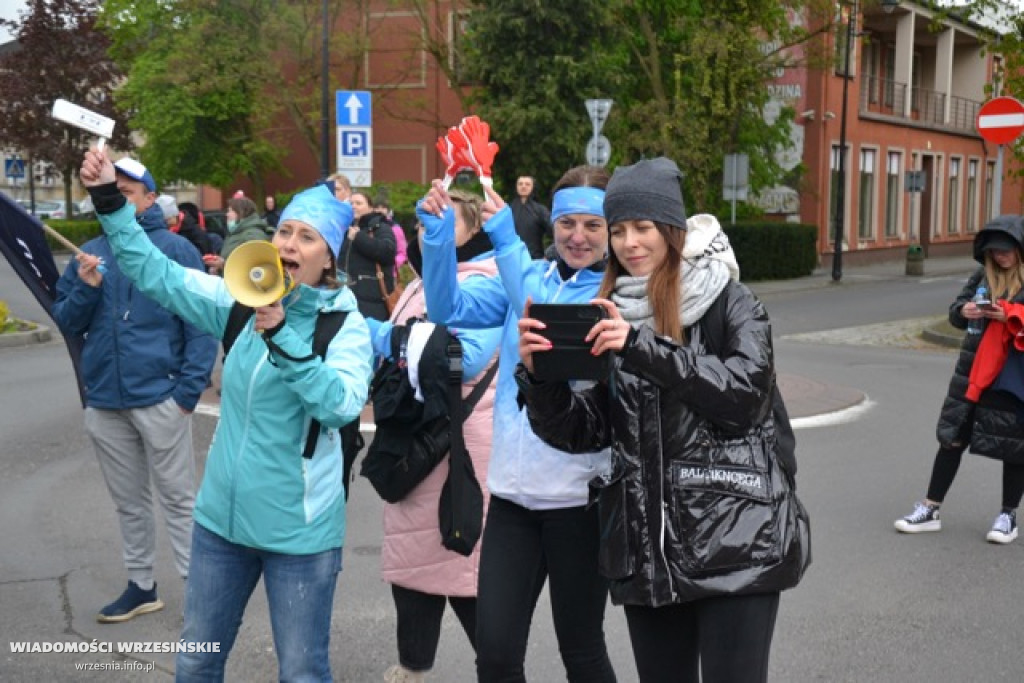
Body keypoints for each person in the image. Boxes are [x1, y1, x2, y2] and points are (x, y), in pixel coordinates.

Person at [78, 148, 374, 681]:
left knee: (302, 673)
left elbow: (340, 406)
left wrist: (283, 336)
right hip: (220, 525)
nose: (289, 244)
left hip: (299, 538)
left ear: (328, 257)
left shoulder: (343, 326)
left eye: (307, 237)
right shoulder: (241, 298)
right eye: (286, 231)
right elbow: (155, 272)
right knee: (196, 662)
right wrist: (107, 199)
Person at [515, 157, 803, 683]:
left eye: (642, 227)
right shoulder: (613, 309)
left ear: (670, 229)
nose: (629, 243)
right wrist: (541, 379)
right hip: (649, 549)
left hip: (735, 542)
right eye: (619, 230)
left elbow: (745, 395)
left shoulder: (729, 300)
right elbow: (584, 431)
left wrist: (642, 346)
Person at [419, 166, 617, 682]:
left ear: (612, 231)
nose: (577, 236)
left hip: (580, 503)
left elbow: (543, 311)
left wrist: (503, 233)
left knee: (582, 650)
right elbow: (446, 307)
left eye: (593, 226)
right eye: (567, 222)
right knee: (497, 655)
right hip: (511, 500)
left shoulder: (616, 296)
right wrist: (439, 237)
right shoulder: (533, 278)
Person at [52, 158, 218, 623]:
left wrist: (187, 393)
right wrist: (86, 287)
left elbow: (202, 324)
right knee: (129, 502)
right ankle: (141, 586)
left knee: (179, 498)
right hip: (105, 400)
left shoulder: (176, 249)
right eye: (111, 190)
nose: (118, 197)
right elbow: (66, 321)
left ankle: (199, 592)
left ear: (149, 197)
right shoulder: (89, 253)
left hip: (161, 397)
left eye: (127, 191)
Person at [365, 190, 501, 683]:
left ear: (475, 230)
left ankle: (501, 670)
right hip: (416, 445)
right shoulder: (419, 284)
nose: (428, 233)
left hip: (462, 452)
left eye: (443, 222)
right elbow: (402, 352)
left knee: (470, 573)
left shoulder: (491, 281)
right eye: (424, 224)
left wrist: (373, 333)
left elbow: (452, 355)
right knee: (412, 569)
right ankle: (413, 665)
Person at [895, 216, 1024, 544]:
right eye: (995, 251)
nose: (1000, 256)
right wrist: (964, 310)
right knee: (951, 437)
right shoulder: (983, 275)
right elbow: (955, 310)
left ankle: (1007, 516)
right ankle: (930, 508)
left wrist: (1009, 314)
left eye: (1006, 250)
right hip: (972, 372)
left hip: (1012, 374)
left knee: (1013, 446)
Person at [342, 190, 397, 321]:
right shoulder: (342, 229)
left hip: (372, 303)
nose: (353, 206)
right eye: (350, 203)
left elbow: (388, 252)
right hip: (345, 299)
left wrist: (358, 237)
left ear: (370, 208)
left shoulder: (380, 227)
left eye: (358, 203)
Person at [205, 196, 273, 276]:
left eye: (230, 211)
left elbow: (256, 268)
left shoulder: (252, 235)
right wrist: (219, 267)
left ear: (241, 213)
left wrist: (223, 265)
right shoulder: (237, 232)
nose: (227, 215)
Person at [509, 175, 552, 260]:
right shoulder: (508, 210)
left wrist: (549, 254)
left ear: (533, 187)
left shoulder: (540, 210)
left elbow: (555, 231)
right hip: (512, 259)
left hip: (535, 259)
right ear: (516, 187)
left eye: (527, 184)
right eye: (520, 184)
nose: (523, 186)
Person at [375, 198, 408, 279]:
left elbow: (402, 252)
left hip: (389, 274)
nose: (379, 210)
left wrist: (392, 264)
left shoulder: (395, 228)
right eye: (377, 207)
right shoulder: (367, 226)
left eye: (383, 208)